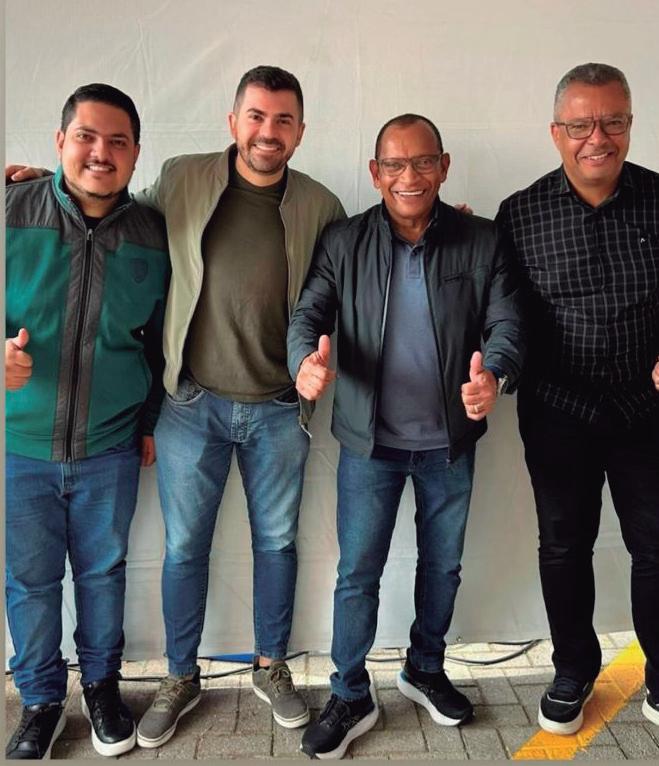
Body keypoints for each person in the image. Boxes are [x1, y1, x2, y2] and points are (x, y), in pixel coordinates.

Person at [288, 113, 524, 759]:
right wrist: (304, 361)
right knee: (357, 573)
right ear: (375, 173)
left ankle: (424, 669)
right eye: (393, 164)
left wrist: (496, 375)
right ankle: (348, 692)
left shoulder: (481, 239)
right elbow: (309, 311)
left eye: (422, 162)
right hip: (370, 445)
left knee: (442, 567)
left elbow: (506, 321)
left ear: (443, 167)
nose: (408, 176)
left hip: (449, 444)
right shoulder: (344, 241)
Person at [129, 65, 344, 747]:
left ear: (300, 131)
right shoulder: (181, 179)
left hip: (279, 409)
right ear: (233, 122)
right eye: (256, 116)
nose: (267, 132)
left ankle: (269, 665)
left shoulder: (322, 206)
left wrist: (445, 228)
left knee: (276, 543)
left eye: (283, 120)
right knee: (183, 548)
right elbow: (117, 216)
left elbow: (355, 275)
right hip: (190, 404)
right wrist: (51, 187)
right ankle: (180, 676)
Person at [5, 83, 170, 759]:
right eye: (86, 136)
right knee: (30, 582)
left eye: (117, 141)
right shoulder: (12, 212)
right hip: (18, 445)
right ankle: (41, 702)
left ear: (136, 153)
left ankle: (102, 688)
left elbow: (161, 341)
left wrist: (150, 421)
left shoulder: (153, 233)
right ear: (59, 141)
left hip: (110, 446)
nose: (101, 152)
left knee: (103, 574)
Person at [497, 62, 659, 736]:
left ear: (629, 124)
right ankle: (572, 669)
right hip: (557, 408)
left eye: (612, 121)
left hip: (646, 409)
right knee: (564, 545)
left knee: (656, 544)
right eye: (581, 124)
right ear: (556, 132)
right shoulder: (520, 213)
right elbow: (504, 312)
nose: (598, 137)